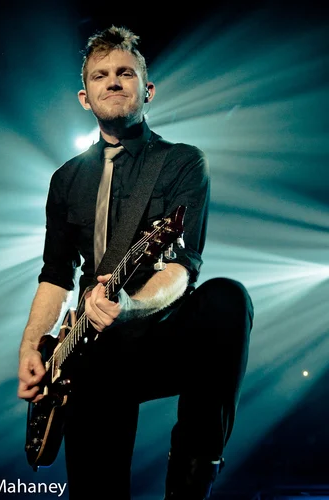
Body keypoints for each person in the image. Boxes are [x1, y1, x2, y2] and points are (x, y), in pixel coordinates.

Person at [17, 25, 254, 500]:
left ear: (147, 91)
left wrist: (130, 305)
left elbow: (182, 266)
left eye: (126, 73)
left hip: (158, 332)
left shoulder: (182, 162)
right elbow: (55, 274)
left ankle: (191, 476)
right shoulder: (66, 179)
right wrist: (31, 347)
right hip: (90, 352)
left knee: (227, 299)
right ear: (85, 98)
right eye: (100, 75)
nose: (113, 81)